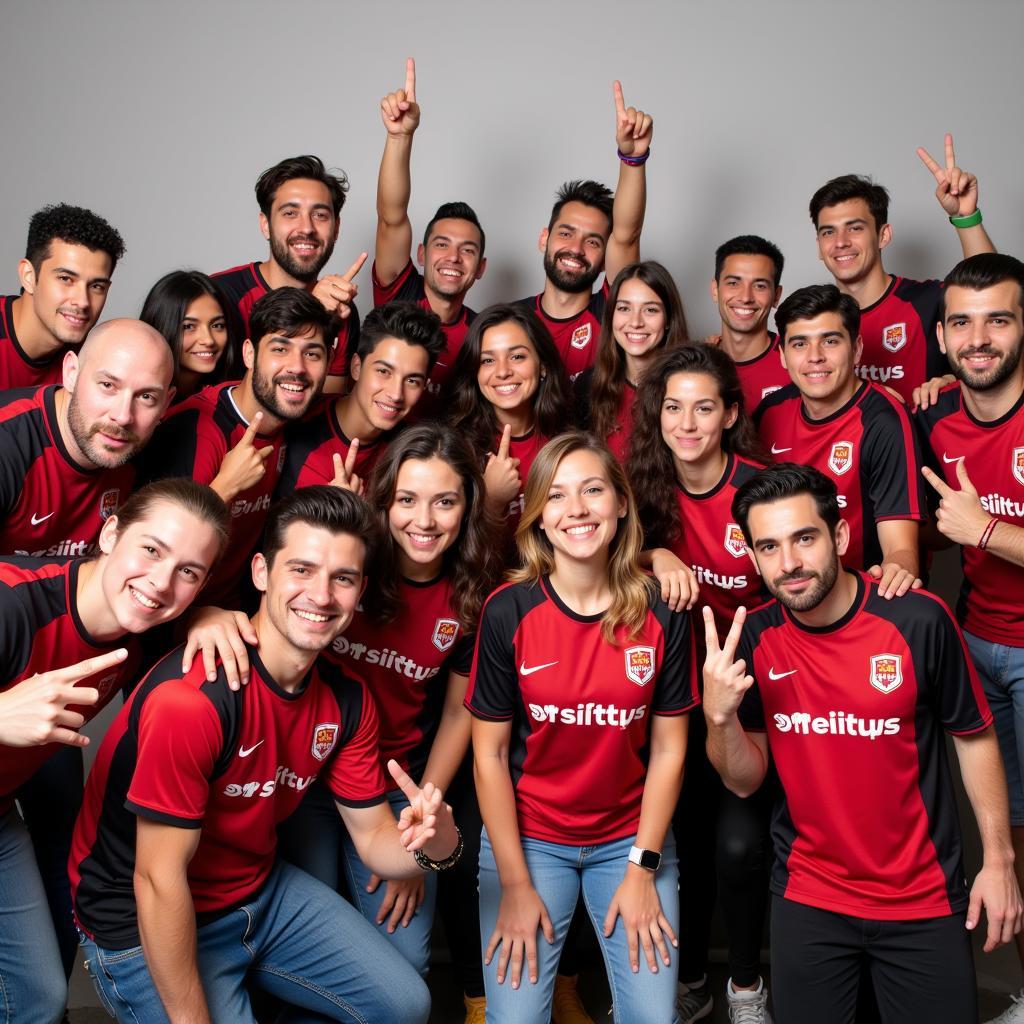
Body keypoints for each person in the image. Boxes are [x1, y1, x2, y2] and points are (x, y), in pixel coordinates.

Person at [70, 486, 462, 1024]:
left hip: (257, 892)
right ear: (261, 572)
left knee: (405, 1004)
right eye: (300, 569)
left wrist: (437, 845)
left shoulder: (347, 698)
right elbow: (158, 880)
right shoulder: (194, 700)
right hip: (141, 921)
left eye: (342, 579)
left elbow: (374, 838)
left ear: (360, 591)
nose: (321, 596)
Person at [703, 462, 1022, 1022]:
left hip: (922, 897)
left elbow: (975, 739)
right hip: (810, 897)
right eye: (769, 547)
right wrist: (721, 719)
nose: (790, 563)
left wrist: (998, 861)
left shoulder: (918, 619)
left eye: (805, 538)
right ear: (753, 558)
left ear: (842, 536)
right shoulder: (751, 637)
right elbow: (743, 779)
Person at [468, 431, 697, 1023]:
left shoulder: (662, 610)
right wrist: (515, 886)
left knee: (654, 1020)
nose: (576, 510)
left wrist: (644, 866)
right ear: (539, 517)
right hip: (531, 839)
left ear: (621, 504)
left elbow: (671, 751)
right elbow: (488, 757)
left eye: (593, 490)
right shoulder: (508, 611)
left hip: (630, 838)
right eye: (557, 496)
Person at [280, 424, 502, 1022]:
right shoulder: (347, 567)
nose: (423, 520)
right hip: (304, 782)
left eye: (444, 501)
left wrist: (415, 832)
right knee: (308, 948)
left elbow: (460, 711)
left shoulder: (469, 594)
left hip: (390, 789)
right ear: (383, 502)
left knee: (405, 963)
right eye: (407, 500)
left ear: (468, 508)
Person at [0, 477, 229, 1024]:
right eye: (151, 549)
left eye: (188, 573)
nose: (160, 582)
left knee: (38, 997)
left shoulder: (147, 624)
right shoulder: (10, 606)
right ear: (109, 534)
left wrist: (207, 615)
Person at [629, 343, 773, 1022]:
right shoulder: (641, 490)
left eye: (704, 408)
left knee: (739, 846)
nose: (686, 423)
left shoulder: (759, 489)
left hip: (758, 694)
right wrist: (656, 551)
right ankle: (688, 985)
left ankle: (746, 987)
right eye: (674, 407)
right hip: (674, 699)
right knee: (679, 843)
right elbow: (593, 556)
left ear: (730, 415)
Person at [913, 253, 1024, 1024]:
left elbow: (975, 530)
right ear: (942, 337)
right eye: (961, 322)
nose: (978, 338)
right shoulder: (936, 419)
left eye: (999, 319)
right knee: (1010, 838)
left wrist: (987, 528)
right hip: (978, 646)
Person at [137, 287, 332, 607]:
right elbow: (158, 559)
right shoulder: (197, 428)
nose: (297, 367)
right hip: (173, 613)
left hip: (235, 607)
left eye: (312, 354)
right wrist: (225, 486)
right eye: (280, 349)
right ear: (250, 354)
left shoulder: (292, 422)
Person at [755, 284, 924, 593]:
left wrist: (895, 575)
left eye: (830, 341)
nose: (815, 357)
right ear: (782, 355)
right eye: (799, 344)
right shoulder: (770, 411)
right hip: (785, 595)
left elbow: (901, 549)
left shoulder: (883, 421)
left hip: (854, 599)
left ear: (856, 348)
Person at [809, 135, 994, 404]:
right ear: (819, 246)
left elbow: (991, 292)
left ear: (883, 235)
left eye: (855, 228)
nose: (841, 242)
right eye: (829, 232)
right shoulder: (813, 321)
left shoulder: (926, 302)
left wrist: (966, 217)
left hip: (925, 444)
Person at [0, 318, 175, 558]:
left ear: (166, 404)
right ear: (71, 373)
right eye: (107, 385)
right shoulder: (8, 442)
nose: (123, 416)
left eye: (146, 397)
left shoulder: (149, 452)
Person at [514, 83, 652, 381]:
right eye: (565, 233)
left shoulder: (616, 314)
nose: (576, 248)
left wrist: (633, 159)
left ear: (606, 258)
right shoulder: (513, 319)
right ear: (544, 239)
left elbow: (627, 234)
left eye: (592, 241)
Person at [374, 58, 487, 413]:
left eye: (466, 251)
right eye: (442, 245)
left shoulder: (481, 334)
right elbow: (391, 217)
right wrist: (399, 137)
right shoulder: (398, 293)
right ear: (421, 255)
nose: (453, 258)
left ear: (480, 268)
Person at [213, 154, 366, 392]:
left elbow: (321, 412)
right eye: (290, 213)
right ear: (266, 225)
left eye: (320, 215)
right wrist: (308, 313)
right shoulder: (220, 296)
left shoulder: (341, 307)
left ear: (336, 229)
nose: (306, 228)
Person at [277, 302, 445, 494]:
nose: (396, 394)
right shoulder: (299, 429)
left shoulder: (415, 447)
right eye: (383, 371)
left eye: (412, 380)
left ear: (424, 386)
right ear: (357, 367)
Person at [448, 304, 570, 540]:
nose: (503, 372)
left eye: (517, 357)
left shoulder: (568, 442)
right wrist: (491, 501)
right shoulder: (453, 449)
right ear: (474, 373)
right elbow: (450, 553)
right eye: (487, 361)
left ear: (542, 365)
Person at [0, 203, 125, 390]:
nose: (82, 301)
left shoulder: (91, 360)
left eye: (96, 286)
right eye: (66, 279)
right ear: (28, 276)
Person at [574, 260, 689, 463]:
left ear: (669, 319)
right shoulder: (588, 386)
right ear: (611, 316)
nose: (635, 322)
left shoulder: (689, 387)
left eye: (650, 310)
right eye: (624, 308)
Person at [708, 235, 791, 415]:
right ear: (715, 290)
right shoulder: (696, 363)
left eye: (760, 286)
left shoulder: (796, 363)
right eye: (733, 283)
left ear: (776, 296)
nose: (745, 297)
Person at [140, 269, 243, 401]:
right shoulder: (137, 399)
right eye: (189, 326)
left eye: (217, 325)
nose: (208, 340)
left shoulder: (230, 397)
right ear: (162, 327)